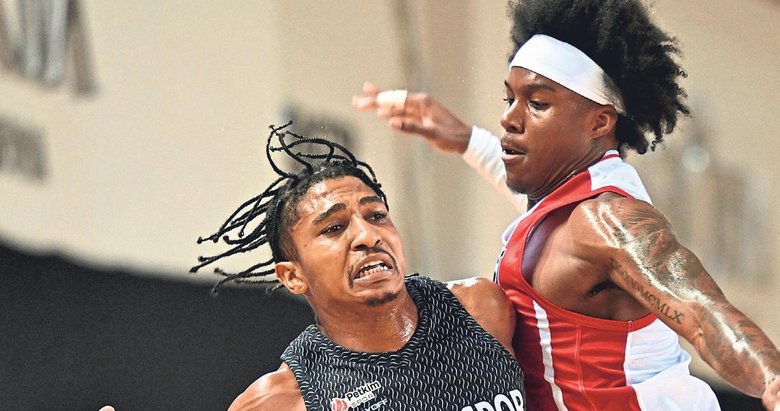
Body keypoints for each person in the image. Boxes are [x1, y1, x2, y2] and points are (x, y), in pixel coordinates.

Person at [352, 1, 780, 410]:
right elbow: (537, 209)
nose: (510, 118)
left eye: (537, 104)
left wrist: (771, 380)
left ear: (599, 122)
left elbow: (703, 314)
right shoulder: (563, 198)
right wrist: (464, 138)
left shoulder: (609, 220)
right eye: (509, 99)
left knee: (470, 301)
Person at [190, 123, 527, 411]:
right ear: (293, 276)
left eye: (376, 216)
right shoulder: (281, 402)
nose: (368, 236)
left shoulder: (480, 308)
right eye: (334, 228)